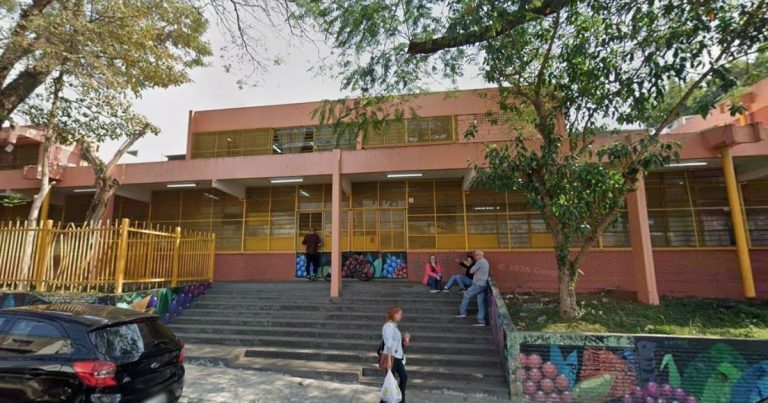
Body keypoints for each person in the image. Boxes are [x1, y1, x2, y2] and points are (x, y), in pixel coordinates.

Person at [455, 250, 490, 326]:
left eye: (477, 255)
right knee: (480, 302)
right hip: (483, 284)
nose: (475, 256)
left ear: (481, 255)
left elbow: (471, 271)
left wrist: (474, 268)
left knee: (466, 295)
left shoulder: (480, 262)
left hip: (478, 284)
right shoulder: (485, 261)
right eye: (475, 255)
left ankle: (462, 313)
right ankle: (481, 321)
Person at [381, 306, 408, 403]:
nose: (401, 316)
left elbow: (395, 343)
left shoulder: (394, 326)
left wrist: (404, 340)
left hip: (397, 357)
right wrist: (389, 361)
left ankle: (400, 400)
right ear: (394, 314)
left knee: (403, 377)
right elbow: (388, 344)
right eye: (400, 314)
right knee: (390, 382)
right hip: (392, 357)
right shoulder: (388, 326)